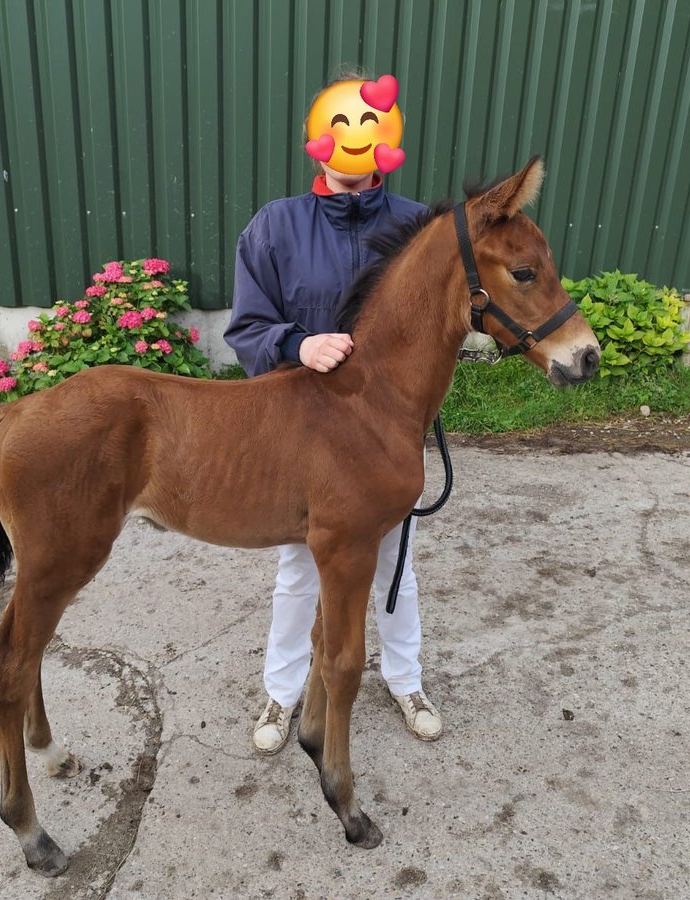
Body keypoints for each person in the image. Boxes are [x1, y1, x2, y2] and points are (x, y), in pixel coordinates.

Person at [224, 71, 443, 756]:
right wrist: (296, 342)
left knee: (393, 566)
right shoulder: (276, 226)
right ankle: (283, 692)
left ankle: (404, 679)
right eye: (341, 127)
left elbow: (442, 320)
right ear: (317, 142)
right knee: (298, 568)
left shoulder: (418, 229)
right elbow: (247, 325)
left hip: (383, 436)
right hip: (307, 433)